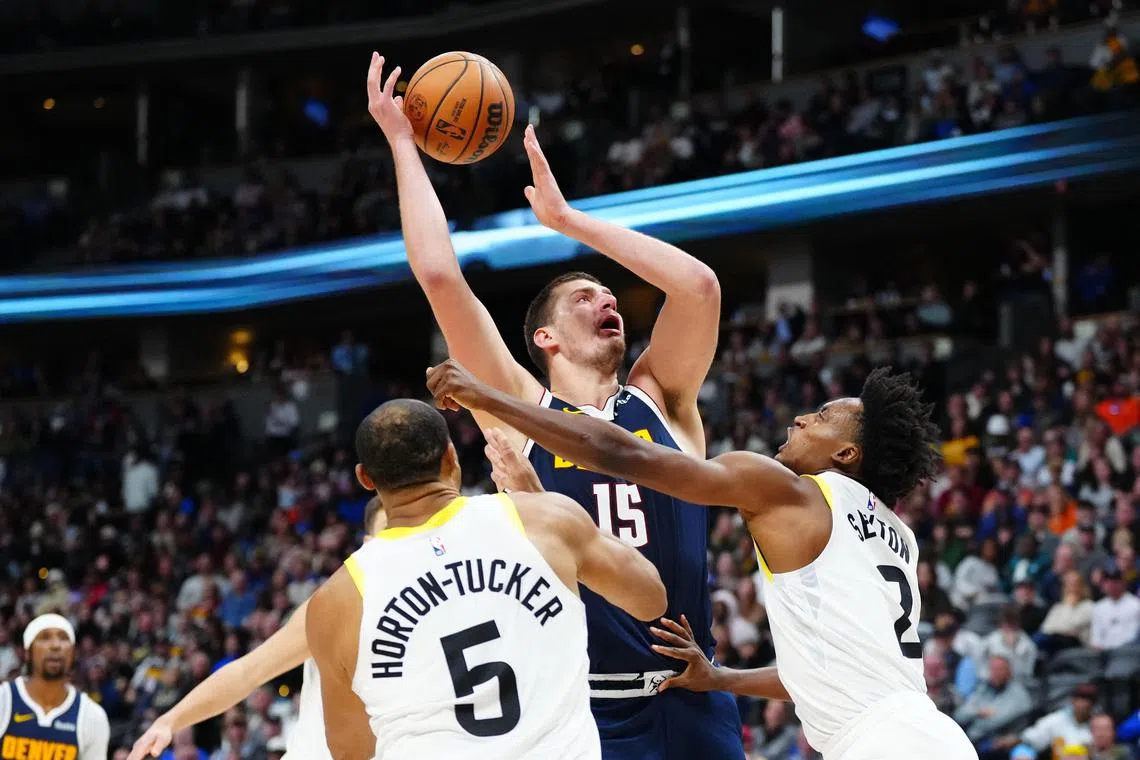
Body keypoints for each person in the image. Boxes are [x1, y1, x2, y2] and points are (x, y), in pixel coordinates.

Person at [364, 52, 739, 758]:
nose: (606, 299)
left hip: (693, 698)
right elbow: (441, 277)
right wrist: (402, 144)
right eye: (581, 296)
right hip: (584, 715)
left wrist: (570, 222)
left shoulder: (665, 400)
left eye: (609, 295)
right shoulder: (517, 410)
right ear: (544, 337)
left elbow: (699, 289)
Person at [427, 360, 979, 760]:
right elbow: (830, 674)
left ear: (846, 454)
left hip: (880, 745)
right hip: (931, 735)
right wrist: (719, 679)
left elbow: (623, 453)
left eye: (823, 415)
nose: (802, 417)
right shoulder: (896, 536)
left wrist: (489, 398)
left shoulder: (789, 489)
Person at [305, 399, 667, 760]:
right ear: (451, 456)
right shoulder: (541, 520)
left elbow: (352, 751)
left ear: (364, 477)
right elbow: (650, 597)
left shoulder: (336, 600)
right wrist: (539, 498)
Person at [127, 498, 390, 760]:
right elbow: (247, 672)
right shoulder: (340, 603)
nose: (401, 544)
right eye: (389, 532)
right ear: (367, 544)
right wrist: (170, 720)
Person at [0, 614, 110, 759]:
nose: (55, 645)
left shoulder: (92, 716)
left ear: (73, 654)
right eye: (45, 637)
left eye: (64, 638)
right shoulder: (4, 700)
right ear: (28, 653)